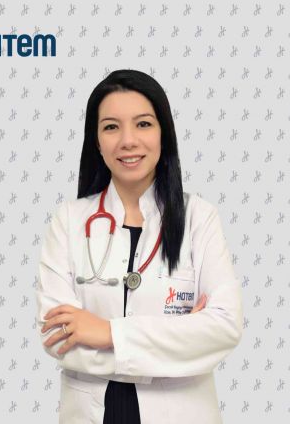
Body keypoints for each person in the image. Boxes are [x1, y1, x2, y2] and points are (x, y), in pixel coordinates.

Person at [36, 69, 243, 423]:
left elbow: (224, 327)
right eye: (111, 127)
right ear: (96, 141)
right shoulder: (68, 221)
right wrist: (180, 340)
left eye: (143, 124)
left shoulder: (199, 218)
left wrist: (106, 333)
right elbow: (58, 337)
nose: (128, 141)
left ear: (164, 133)